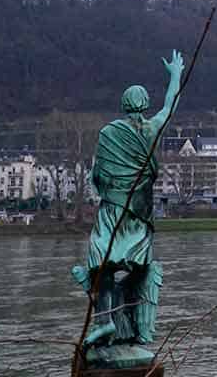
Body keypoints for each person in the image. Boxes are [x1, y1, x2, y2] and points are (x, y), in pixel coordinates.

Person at [71, 50, 183, 353]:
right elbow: (169, 108)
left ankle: (110, 319)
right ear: (144, 104)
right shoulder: (149, 129)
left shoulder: (109, 132)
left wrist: (111, 188)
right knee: (141, 267)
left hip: (112, 213)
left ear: (123, 106)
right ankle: (124, 325)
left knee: (101, 264)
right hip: (138, 215)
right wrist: (175, 75)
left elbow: (97, 176)